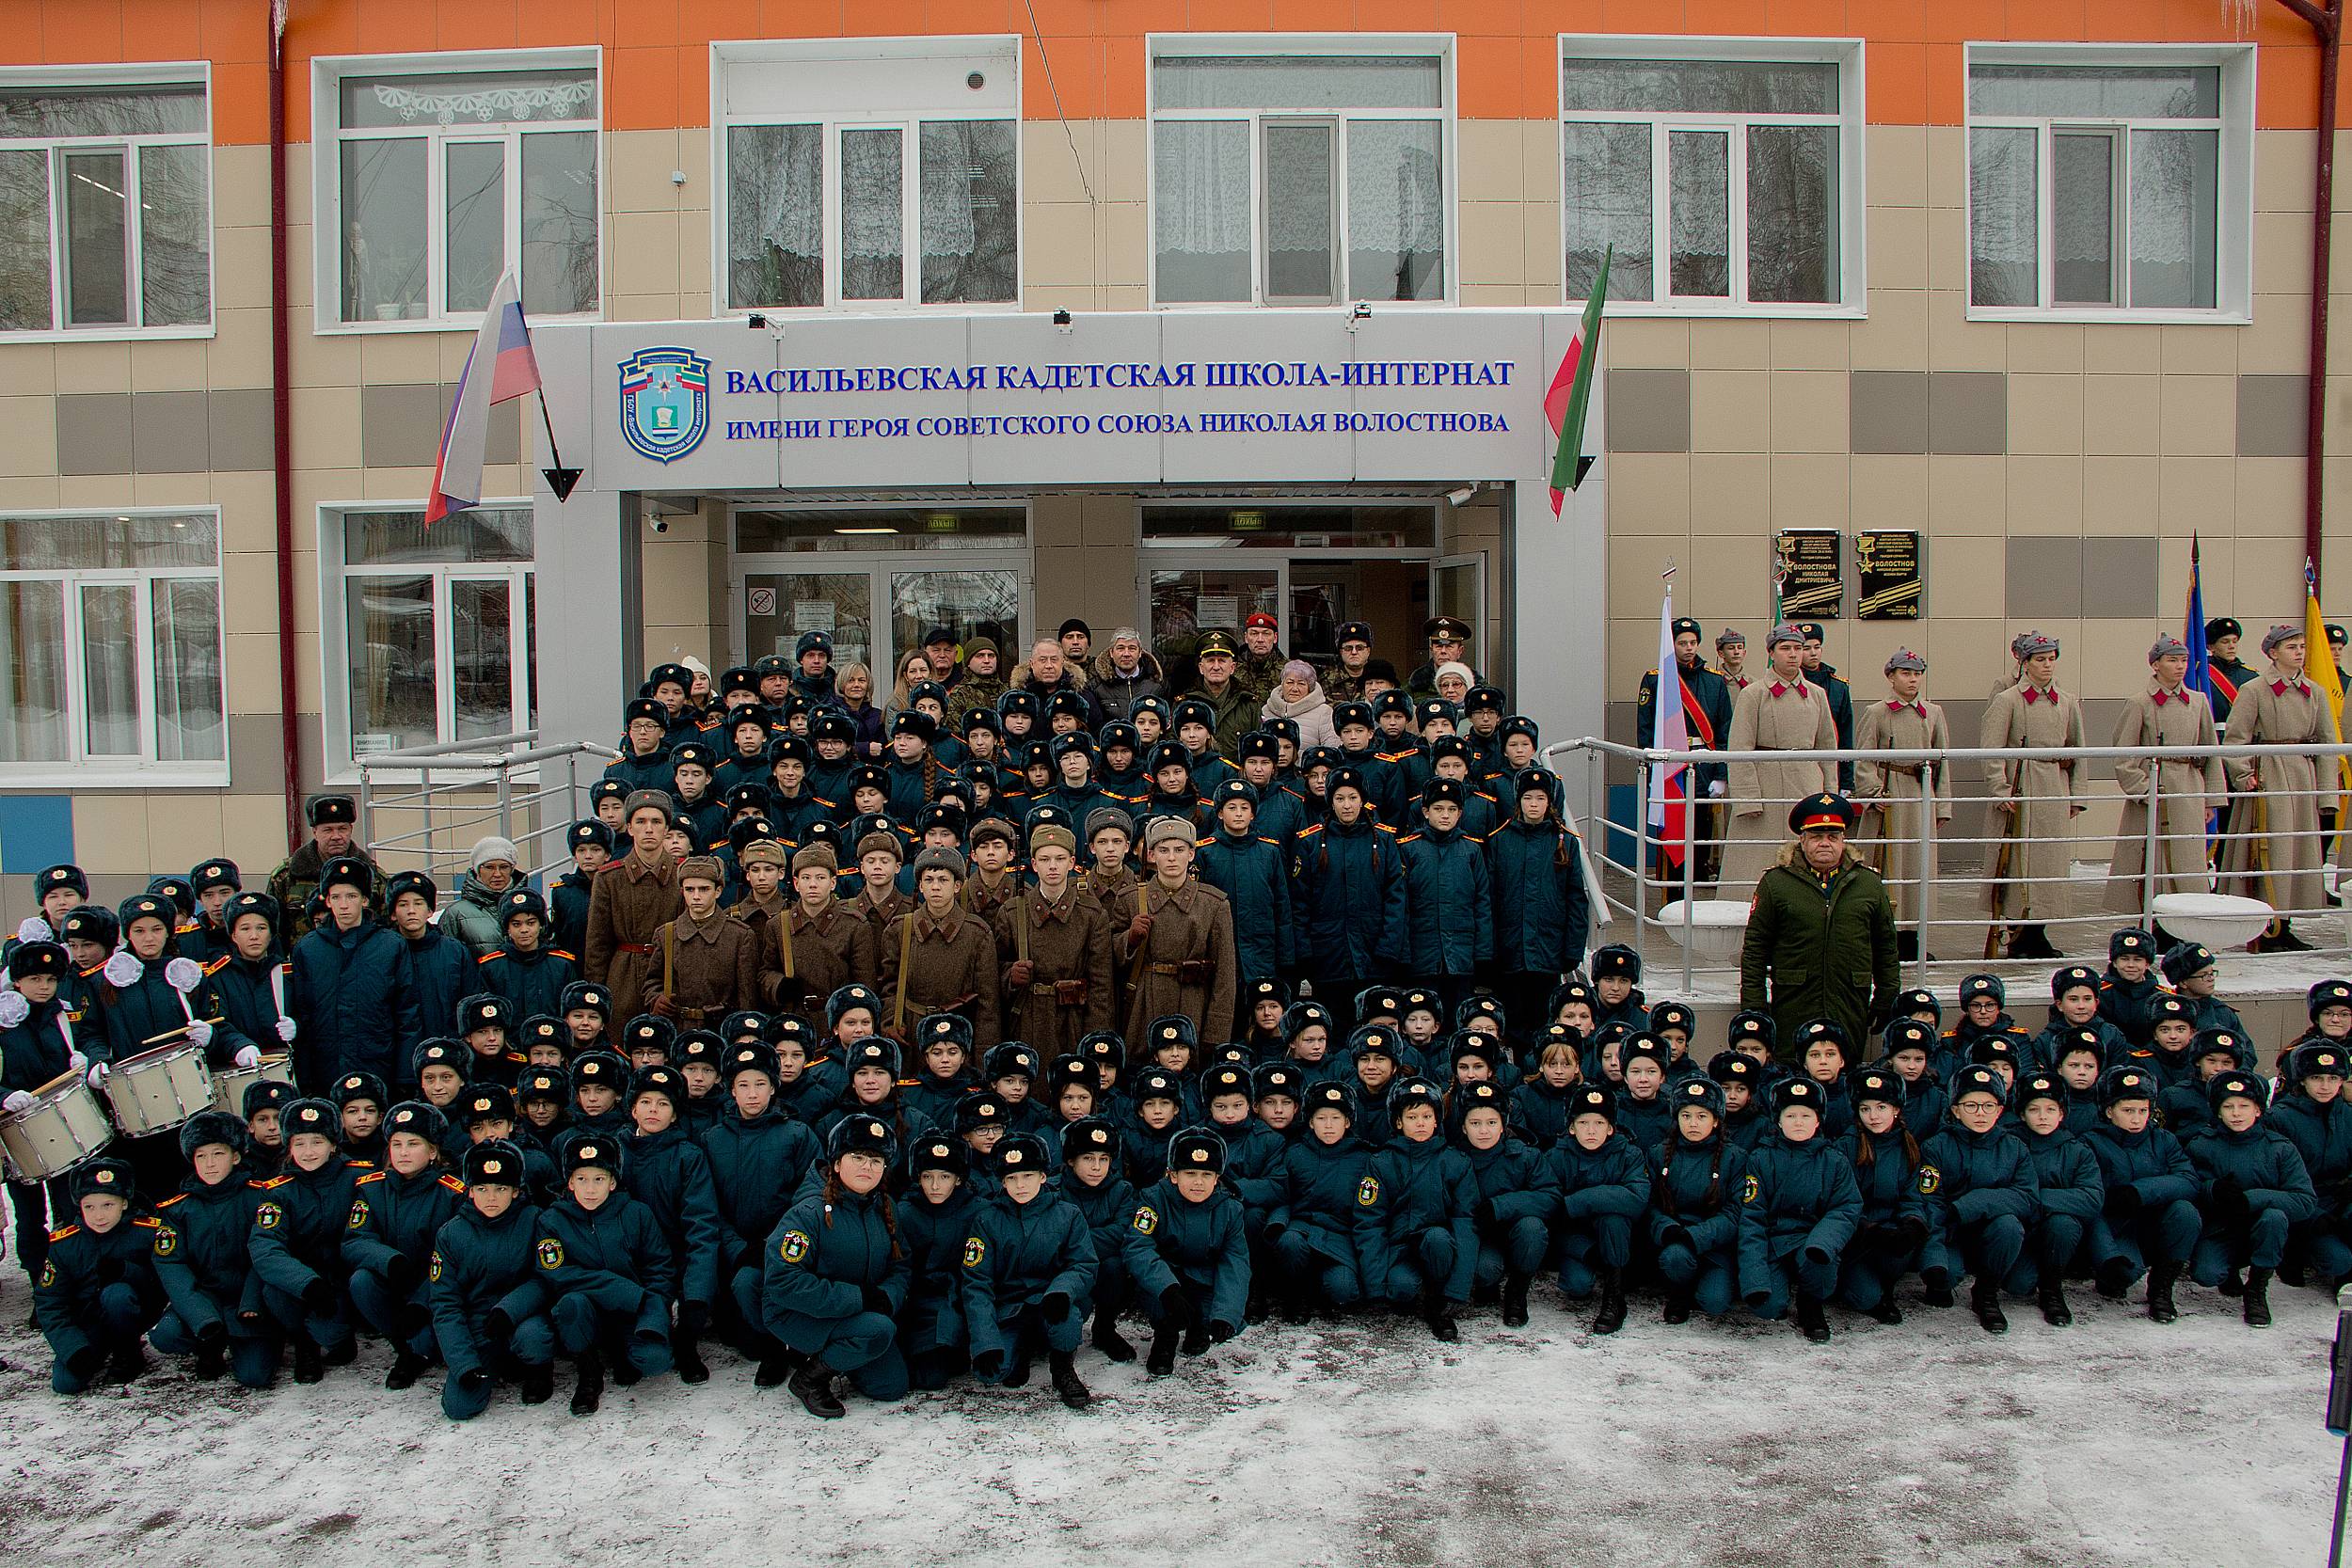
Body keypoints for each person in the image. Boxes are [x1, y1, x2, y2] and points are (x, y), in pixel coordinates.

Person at [761, 1114, 910, 1418]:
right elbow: (783, 1282)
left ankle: (838, 1354)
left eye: (876, 1160)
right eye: (857, 1157)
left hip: (856, 1314)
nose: (867, 1166)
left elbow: (902, 1266)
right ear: (837, 1163)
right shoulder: (809, 1212)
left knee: (891, 1386)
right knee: (878, 1331)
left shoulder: (886, 1208)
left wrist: (887, 1296)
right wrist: (858, 1298)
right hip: (797, 1313)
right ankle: (809, 1379)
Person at [1737, 794, 1899, 1059]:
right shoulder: (1776, 884)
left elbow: (1885, 946)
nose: (1825, 843)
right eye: (1816, 836)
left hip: (1848, 1003)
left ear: (1843, 840)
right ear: (1802, 840)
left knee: (1843, 1073)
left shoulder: (1868, 884)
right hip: (1794, 1004)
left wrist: (1887, 996)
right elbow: (1755, 949)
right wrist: (1753, 1005)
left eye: (1832, 837)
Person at [535, 1131, 675, 1415]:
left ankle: (622, 1352)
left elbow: (659, 1268)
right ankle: (588, 1370)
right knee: (570, 1304)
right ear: (570, 1182)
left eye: (599, 1179)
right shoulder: (551, 1221)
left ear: (612, 1182)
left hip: (632, 1311)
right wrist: (619, 1288)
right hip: (587, 1312)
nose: (590, 1189)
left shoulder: (637, 1213)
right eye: (582, 1179)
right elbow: (556, 1272)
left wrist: (651, 1311)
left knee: (656, 1361)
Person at [2222, 623, 2341, 951]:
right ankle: (2265, 927)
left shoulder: (2314, 691)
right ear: (2273, 653)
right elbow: (2235, 740)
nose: (2299, 652)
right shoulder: (2255, 690)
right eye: (2291, 647)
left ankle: (2284, 923)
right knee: (2268, 852)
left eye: (2302, 646)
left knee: (2296, 854)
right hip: (2269, 775)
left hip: (2302, 777)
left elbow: (2329, 742)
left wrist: (2326, 791)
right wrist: (2245, 776)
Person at [960, 1131, 1098, 1408]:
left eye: (1028, 1176)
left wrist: (1061, 1291)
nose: (1020, 1185)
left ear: (1043, 1176)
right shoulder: (986, 1221)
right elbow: (976, 1282)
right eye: (1012, 1178)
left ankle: (1062, 1368)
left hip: (1051, 1301)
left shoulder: (1068, 1214)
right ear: (1002, 1181)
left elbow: (1083, 1263)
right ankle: (1022, 1344)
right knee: (993, 1374)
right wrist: (985, 1344)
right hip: (1010, 1308)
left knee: (1066, 1321)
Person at [343, 1101, 468, 1389]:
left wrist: (422, 1300)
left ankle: (420, 1350)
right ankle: (404, 1346)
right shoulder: (372, 1187)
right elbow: (355, 1239)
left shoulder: (452, 1193)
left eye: (413, 1144)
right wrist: (389, 1261)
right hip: (394, 1278)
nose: (403, 1152)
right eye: (396, 1144)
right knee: (361, 1281)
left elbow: (456, 1255)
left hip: (437, 1287)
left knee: (434, 1330)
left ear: (433, 1151)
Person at [1979, 632, 2086, 959]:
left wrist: (2076, 795)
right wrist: (1999, 788)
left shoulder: (2067, 700)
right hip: (2021, 784)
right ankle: (2018, 933)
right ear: (2024, 664)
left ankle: (2039, 930)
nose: (2047, 665)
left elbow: (2079, 749)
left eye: (2051, 658)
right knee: (2017, 863)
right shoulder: (2008, 699)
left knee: (2049, 862)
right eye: (2040, 659)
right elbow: (1991, 748)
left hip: (2053, 786)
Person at [248, 1098, 367, 1382]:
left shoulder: (360, 1177)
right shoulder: (277, 1191)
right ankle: (303, 1343)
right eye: (299, 1143)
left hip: (343, 1279)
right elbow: (265, 1246)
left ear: (333, 1144)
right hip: (302, 1283)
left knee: (331, 1331)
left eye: (317, 1142)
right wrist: (307, 1284)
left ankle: (341, 1338)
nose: (308, 1152)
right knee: (272, 1291)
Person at [2108, 635, 2226, 918]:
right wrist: (2144, 789)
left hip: (2188, 786)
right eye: (2172, 660)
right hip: (2155, 788)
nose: (2180, 666)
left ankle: (2187, 918)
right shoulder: (2141, 703)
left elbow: (2210, 750)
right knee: (2154, 859)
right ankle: (2153, 919)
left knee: (2188, 859)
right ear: (2156, 665)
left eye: (2183, 660)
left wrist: (2211, 798)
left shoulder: (2197, 701)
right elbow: (2124, 754)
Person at [2188, 1070, 2317, 1327]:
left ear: (2258, 1110)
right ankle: (2229, 1270)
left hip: (2262, 1226)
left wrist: (2253, 1199)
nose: (2236, 1113)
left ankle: (2257, 1289)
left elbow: (2304, 1201)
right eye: (2228, 1106)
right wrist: (2212, 1189)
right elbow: (2189, 1185)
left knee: (2275, 1218)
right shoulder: (2202, 1145)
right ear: (2217, 1111)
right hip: (2221, 1228)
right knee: (2206, 1274)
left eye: (2244, 1106)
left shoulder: (2280, 1148)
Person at [1737, 1078, 1863, 1341]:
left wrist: (1822, 1243)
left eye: (1806, 1115)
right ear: (1778, 1120)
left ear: (1818, 1121)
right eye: (1790, 1115)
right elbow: (1752, 1219)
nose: (1797, 1122)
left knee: (1819, 1260)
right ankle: (1777, 1285)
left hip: (1811, 1241)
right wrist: (1755, 1279)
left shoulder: (1834, 1160)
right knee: (1768, 1306)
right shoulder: (1761, 1159)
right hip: (1775, 1241)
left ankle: (1811, 1303)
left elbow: (1846, 1207)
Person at [1123, 1125, 1250, 1375]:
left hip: (1204, 1278)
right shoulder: (1153, 1200)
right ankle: (1165, 1338)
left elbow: (1235, 1261)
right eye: (1190, 1173)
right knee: (1163, 1304)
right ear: (1173, 1175)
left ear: (1217, 1178)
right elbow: (1138, 1246)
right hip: (1167, 1277)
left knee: (1210, 1311)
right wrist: (1167, 1288)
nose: (1198, 1182)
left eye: (1206, 1174)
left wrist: (1227, 1314)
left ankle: (1200, 1327)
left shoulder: (1230, 1209)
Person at [1721, 625, 1837, 889]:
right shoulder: (1753, 694)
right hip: (1766, 788)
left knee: (1807, 859)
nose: (1793, 655)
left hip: (1807, 784)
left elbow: (1828, 748)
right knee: (1756, 864)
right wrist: (1748, 798)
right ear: (1771, 653)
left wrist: (1830, 792)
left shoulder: (1817, 695)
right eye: (1785, 649)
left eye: (1798, 648)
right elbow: (1739, 748)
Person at [1852, 649, 1951, 960]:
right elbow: (1864, 757)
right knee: (1887, 864)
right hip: (1889, 791)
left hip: (1920, 793)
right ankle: (1884, 935)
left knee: (1918, 864)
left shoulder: (1932, 712)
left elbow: (1943, 761)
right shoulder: (1878, 712)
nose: (1912, 679)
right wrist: (1871, 791)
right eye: (1905, 673)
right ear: (1891, 676)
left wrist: (1942, 804)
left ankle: (1913, 935)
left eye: (1917, 673)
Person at [35, 1158, 162, 1392]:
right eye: (89, 1207)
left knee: (116, 1295)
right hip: (88, 1321)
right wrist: (73, 1348)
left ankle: (129, 1354)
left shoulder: (146, 1233)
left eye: (107, 1205)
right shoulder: (64, 1245)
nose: (98, 1216)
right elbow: (50, 1303)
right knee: (66, 1384)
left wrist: (127, 1272)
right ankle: (97, 1347)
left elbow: (159, 1286)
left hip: (129, 1311)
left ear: (124, 1203)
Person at [1120, 817, 1240, 1047]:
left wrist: (1216, 1032)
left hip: (1194, 1004)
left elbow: (1225, 975)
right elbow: (1111, 962)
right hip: (1144, 1004)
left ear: (1192, 854)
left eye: (1179, 849)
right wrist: (1130, 940)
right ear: (1152, 855)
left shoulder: (1214, 903)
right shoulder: (1131, 899)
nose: (1172, 857)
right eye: (1163, 850)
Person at [291, 858, 405, 1095]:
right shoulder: (308, 949)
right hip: (327, 1066)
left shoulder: (390, 945)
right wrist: (306, 1075)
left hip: (377, 1062)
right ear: (327, 901)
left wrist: (405, 1076)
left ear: (364, 900)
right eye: (336, 897)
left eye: (351, 896)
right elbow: (303, 1012)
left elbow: (407, 1011)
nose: (344, 905)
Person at [583, 791, 687, 1042]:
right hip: (623, 978)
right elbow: (598, 943)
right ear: (629, 828)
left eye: (656, 822)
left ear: (666, 829)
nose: (648, 829)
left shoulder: (683, 872)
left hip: (670, 977)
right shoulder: (609, 878)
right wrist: (597, 996)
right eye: (640, 822)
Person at [1638, 617, 1734, 882]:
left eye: (1693, 643)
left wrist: (1721, 773)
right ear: (1672, 644)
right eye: (1682, 643)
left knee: (1702, 826)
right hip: (1669, 765)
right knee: (1673, 828)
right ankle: (1673, 883)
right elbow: (1645, 730)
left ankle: (1699, 879)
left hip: (1703, 763)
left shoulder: (1714, 681)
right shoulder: (1656, 679)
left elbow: (1724, 729)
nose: (1688, 648)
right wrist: (1651, 770)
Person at [878, 847, 1002, 1051]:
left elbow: (988, 1004)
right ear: (920, 886)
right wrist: (890, 1023)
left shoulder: (977, 933)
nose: (935, 887)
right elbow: (889, 986)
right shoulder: (899, 929)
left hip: (958, 1036)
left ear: (957, 886)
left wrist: (981, 1054)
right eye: (929, 880)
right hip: (911, 1035)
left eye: (943, 880)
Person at [642, 857, 761, 1028]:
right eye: (690, 889)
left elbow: (747, 997)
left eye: (704, 889)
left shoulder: (740, 936)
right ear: (682, 891)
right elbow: (652, 981)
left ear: (718, 891)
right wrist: (656, 998)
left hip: (721, 1030)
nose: (696, 896)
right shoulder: (666, 934)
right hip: (676, 1028)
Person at [267, 795, 383, 948]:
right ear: (315, 832)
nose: (336, 836)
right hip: (305, 963)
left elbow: (385, 926)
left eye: (342, 829)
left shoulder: (373, 876)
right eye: (328, 830)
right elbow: (272, 931)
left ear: (351, 830)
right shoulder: (285, 878)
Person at [1795, 625, 1856, 792]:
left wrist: (1846, 782)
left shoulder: (1838, 687)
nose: (1813, 653)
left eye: (1817, 647)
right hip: (1799, 766)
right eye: (1806, 648)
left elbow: (1845, 737)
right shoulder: (1790, 685)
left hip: (1831, 766)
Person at [1092, 626, 1168, 721]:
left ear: (1140, 652)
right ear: (1111, 653)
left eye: (1132, 648)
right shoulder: (1097, 686)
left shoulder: (1157, 684)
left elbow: (1166, 722)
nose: (1126, 654)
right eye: (1121, 648)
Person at [1262, 658, 1337, 753]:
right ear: (1282, 684)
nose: (1295, 689)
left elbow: (1332, 750)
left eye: (1301, 684)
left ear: (1310, 688)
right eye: (1290, 682)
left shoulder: (1323, 712)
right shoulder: (1266, 710)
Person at [2205, 616, 2260, 726]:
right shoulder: (2202, 675)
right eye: (2225, 642)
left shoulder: (2251, 676)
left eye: (2234, 641)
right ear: (2211, 647)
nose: (2232, 647)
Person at [1406, 616, 1476, 701]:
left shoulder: (1477, 684)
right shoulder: (1414, 685)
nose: (1443, 651)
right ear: (1431, 650)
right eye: (1438, 647)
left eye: (1449, 647)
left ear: (1460, 651)